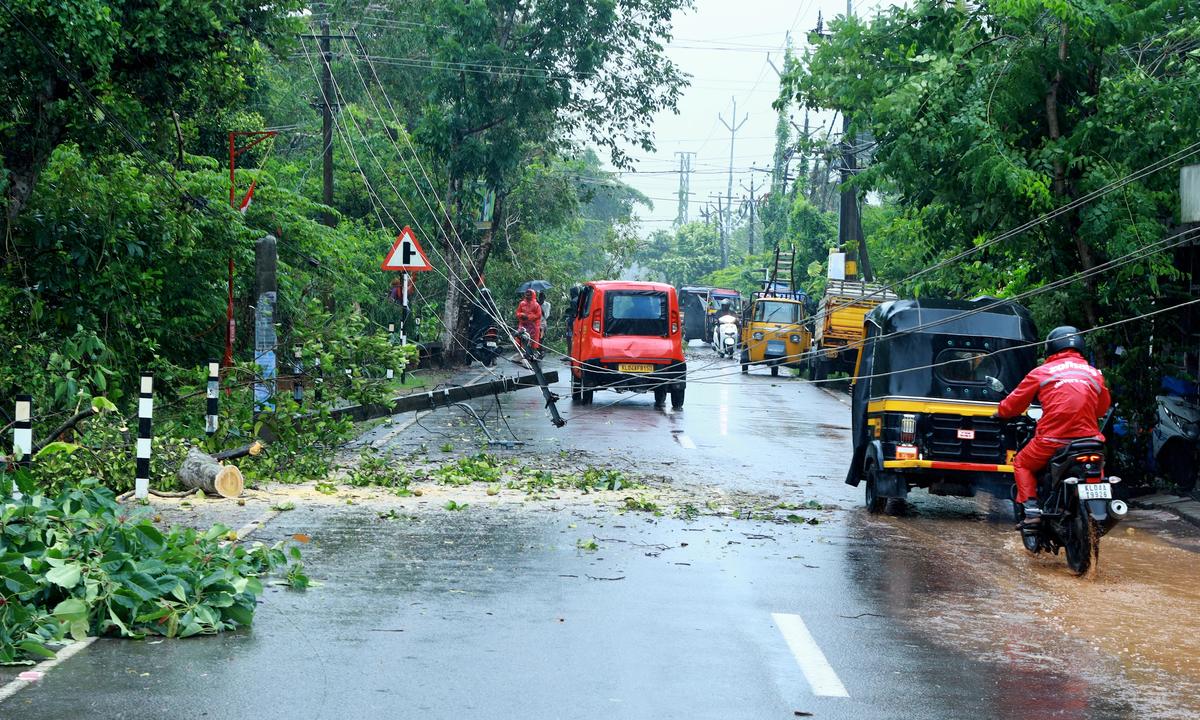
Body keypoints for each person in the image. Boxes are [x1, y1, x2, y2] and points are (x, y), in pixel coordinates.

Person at [995, 326, 1111, 529]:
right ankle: (1100, 507)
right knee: (1096, 469)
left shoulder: (1042, 372)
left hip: (1052, 441)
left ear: (1051, 347)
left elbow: (1014, 404)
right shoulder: (1094, 374)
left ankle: (1031, 511)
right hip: (1089, 442)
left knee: (1021, 462)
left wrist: (1001, 412)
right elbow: (1101, 409)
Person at [516, 288, 543, 354]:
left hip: (533, 325)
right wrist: (521, 315)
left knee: (533, 340)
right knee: (519, 337)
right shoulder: (522, 303)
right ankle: (521, 352)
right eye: (527, 294)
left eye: (529, 294)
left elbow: (538, 315)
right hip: (523, 325)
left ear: (533, 295)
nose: (527, 295)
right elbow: (517, 313)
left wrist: (528, 317)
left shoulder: (536, 305)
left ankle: (533, 353)